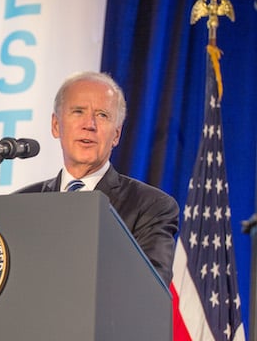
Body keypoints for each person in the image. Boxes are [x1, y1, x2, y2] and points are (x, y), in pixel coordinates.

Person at [16, 71, 179, 284]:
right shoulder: (22, 203)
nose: (89, 124)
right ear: (56, 126)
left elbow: (151, 284)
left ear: (116, 135)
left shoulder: (151, 206)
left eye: (102, 115)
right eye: (78, 111)